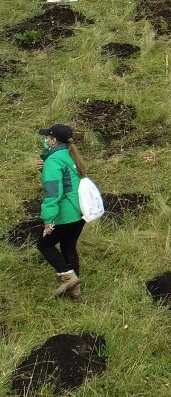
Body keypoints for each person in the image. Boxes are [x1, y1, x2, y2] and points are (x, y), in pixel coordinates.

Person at [36, 124, 88, 299]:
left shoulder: (53, 161)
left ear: (53, 140)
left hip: (66, 215)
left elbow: (53, 192)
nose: (45, 141)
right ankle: (75, 291)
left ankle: (69, 278)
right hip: (80, 213)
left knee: (44, 244)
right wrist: (44, 169)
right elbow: (66, 181)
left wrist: (48, 219)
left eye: (47, 138)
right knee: (68, 247)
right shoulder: (70, 155)